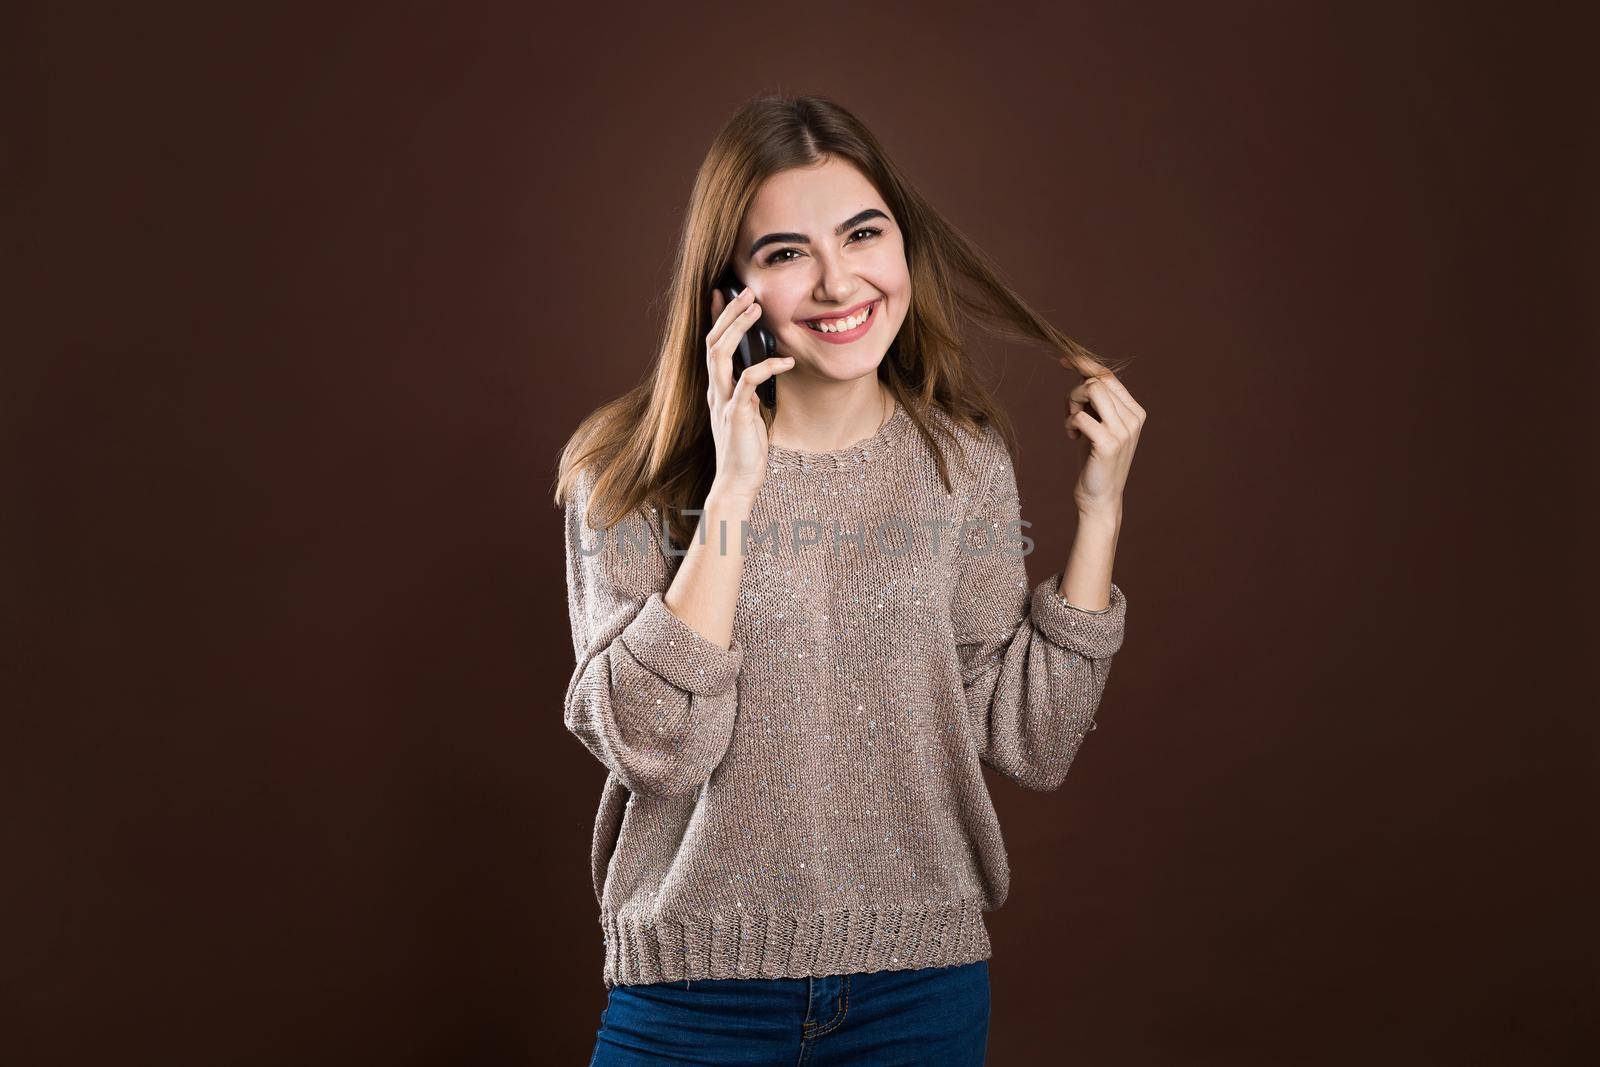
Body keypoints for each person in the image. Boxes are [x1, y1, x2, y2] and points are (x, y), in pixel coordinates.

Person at [556, 93, 1146, 1066]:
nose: (838, 281)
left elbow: (1029, 735)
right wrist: (739, 487)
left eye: (861, 233)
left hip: (915, 998)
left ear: (901, 247)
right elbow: (653, 745)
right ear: (727, 295)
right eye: (787, 252)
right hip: (691, 1001)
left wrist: (1100, 512)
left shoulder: (958, 461)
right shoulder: (626, 472)